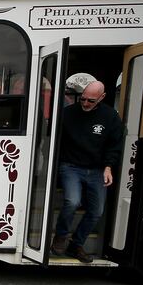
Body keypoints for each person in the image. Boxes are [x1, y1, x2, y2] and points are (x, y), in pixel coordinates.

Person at [51, 81, 123, 263]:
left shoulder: (110, 117)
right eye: (83, 99)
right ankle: (60, 236)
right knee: (72, 201)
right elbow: (54, 139)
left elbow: (114, 145)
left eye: (91, 101)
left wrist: (108, 168)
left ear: (102, 97)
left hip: (98, 169)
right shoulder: (67, 113)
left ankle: (77, 244)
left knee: (97, 211)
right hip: (71, 166)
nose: (85, 103)